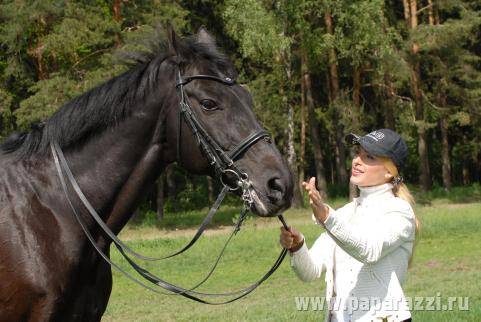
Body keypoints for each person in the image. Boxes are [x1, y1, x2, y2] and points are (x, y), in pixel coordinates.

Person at [281, 129, 419, 322]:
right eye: (357, 153)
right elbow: (310, 271)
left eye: (369, 157)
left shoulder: (399, 212)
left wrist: (327, 217)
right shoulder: (345, 213)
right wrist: (297, 246)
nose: (357, 160)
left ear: (389, 172)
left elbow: (369, 250)